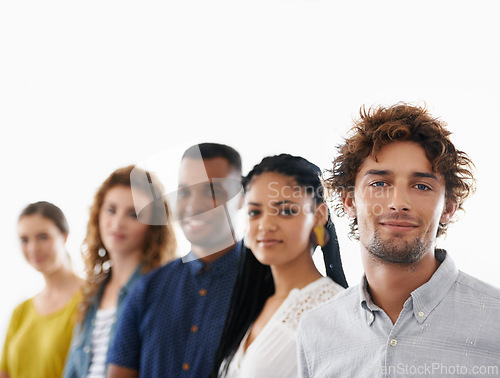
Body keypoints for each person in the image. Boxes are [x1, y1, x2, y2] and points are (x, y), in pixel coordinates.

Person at [297, 103, 500, 377]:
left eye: (421, 186)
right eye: (380, 183)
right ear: (348, 201)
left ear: (448, 207)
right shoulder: (316, 330)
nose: (398, 203)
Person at [107, 143, 244, 377]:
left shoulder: (265, 283)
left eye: (212, 192)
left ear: (240, 198)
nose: (194, 205)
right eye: (185, 192)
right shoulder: (147, 289)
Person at [211, 154, 348, 378]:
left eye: (286, 211)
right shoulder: (254, 304)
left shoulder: (334, 310)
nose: (266, 225)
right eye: (255, 212)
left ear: (318, 215)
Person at [63, 165, 176, 378]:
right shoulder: (92, 292)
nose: (117, 223)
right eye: (111, 210)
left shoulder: (160, 291)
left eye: (133, 214)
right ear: (98, 213)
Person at [0, 201, 83, 378]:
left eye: (43, 237)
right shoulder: (20, 312)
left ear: (64, 236)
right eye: (24, 240)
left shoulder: (91, 299)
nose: (33, 248)